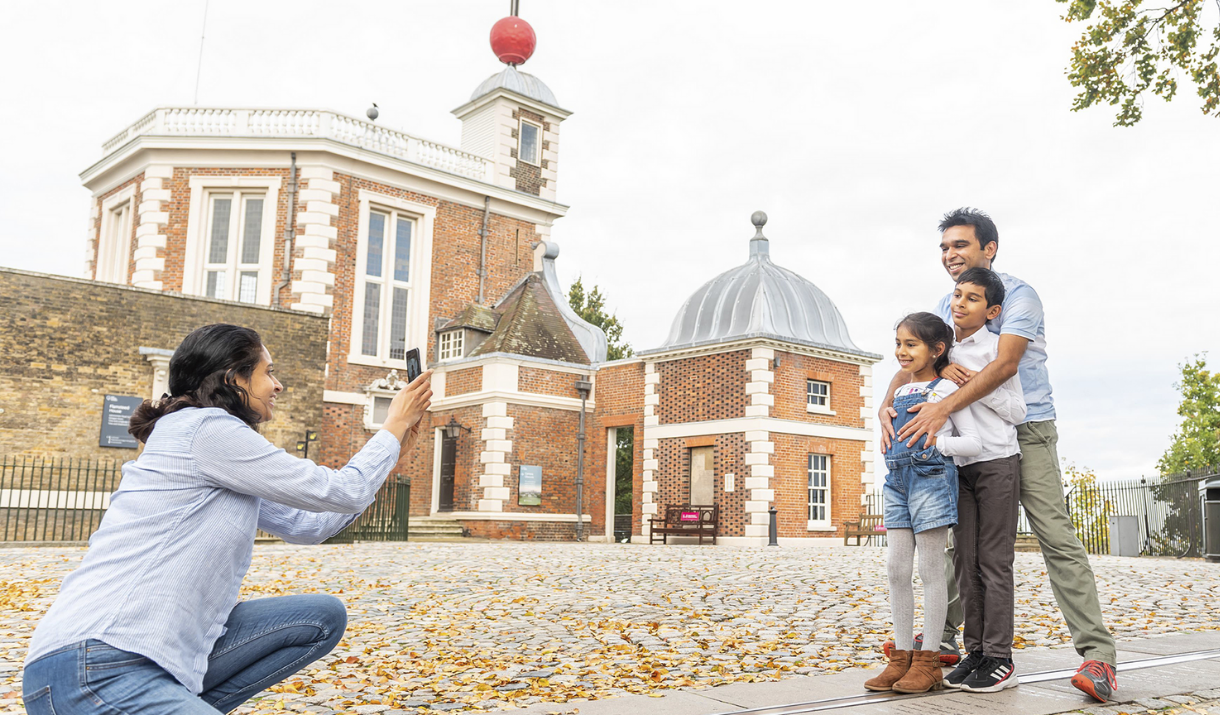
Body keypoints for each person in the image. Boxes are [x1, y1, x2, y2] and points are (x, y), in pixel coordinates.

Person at [22, 324, 433, 714]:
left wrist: (389, 459)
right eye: (268, 373)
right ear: (234, 379)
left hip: (132, 665)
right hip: (97, 665)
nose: (278, 385)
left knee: (321, 617)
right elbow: (340, 490)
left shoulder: (211, 450)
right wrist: (392, 425)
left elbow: (311, 526)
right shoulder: (205, 428)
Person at [878, 208, 1118, 702]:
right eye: (945, 248)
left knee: (1053, 536)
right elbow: (919, 361)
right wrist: (886, 406)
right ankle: (945, 640)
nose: (951, 256)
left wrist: (942, 406)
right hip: (967, 441)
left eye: (960, 246)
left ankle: (1098, 656)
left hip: (1024, 432)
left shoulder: (1017, 296)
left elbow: (1006, 363)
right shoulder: (949, 305)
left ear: (989, 248)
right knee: (959, 542)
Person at [864, 313, 981, 694]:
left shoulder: (947, 390)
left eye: (911, 344)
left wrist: (938, 444)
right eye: (898, 343)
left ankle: (929, 660)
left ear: (936, 350)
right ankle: (900, 658)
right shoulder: (897, 392)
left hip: (931, 481)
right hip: (896, 482)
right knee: (896, 568)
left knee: (931, 570)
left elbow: (972, 442)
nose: (901, 351)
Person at [938, 268, 1026, 693]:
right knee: (964, 561)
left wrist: (975, 384)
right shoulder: (945, 353)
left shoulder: (997, 350)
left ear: (991, 311)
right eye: (957, 294)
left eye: (972, 298)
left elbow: (1017, 413)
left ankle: (999, 656)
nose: (960, 302)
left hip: (996, 463)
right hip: (959, 466)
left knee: (993, 560)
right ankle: (974, 651)